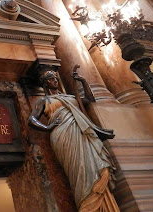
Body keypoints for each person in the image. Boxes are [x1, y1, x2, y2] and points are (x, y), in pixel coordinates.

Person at [28, 70, 119, 212]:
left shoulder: (70, 97)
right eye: (51, 79)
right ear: (45, 83)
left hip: (82, 132)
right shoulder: (44, 101)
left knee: (96, 166)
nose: (55, 81)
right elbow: (32, 119)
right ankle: (86, 206)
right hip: (62, 135)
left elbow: (89, 100)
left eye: (56, 78)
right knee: (78, 170)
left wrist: (83, 81)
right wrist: (48, 127)